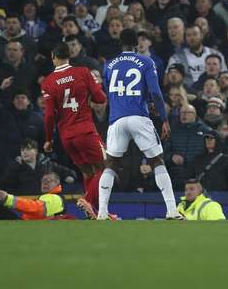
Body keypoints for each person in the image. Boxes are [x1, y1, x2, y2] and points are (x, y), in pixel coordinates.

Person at [98, 29, 181, 220]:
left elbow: (109, 92)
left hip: (116, 118)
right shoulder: (146, 61)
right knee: (157, 161)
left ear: (120, 43)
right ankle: (172, 211)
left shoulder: (109, 64)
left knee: (110, 164)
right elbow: (155, 92)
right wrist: (164, 118)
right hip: (138, 117)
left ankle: (102, 213)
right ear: (136, 44)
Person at [40, 42, 108, 219]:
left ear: (53, 57)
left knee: (88, 173)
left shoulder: (48, 82)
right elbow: (100, 99)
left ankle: (96, 212)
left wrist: (48, 139)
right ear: (69, 55)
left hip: (66, 137)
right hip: (85, 130)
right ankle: (88, 201)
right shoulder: (82, 72)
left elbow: (48, 115)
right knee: (105, 167)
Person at [0, 171, 73, 220]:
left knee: (0, 210)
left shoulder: (55, 198)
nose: (45, 183)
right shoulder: (46, 197)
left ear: (57, 183)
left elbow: (37, 209)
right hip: (31, 226)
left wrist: (8, 199)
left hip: (32, 229)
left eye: (48, 180)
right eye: (43, 181)